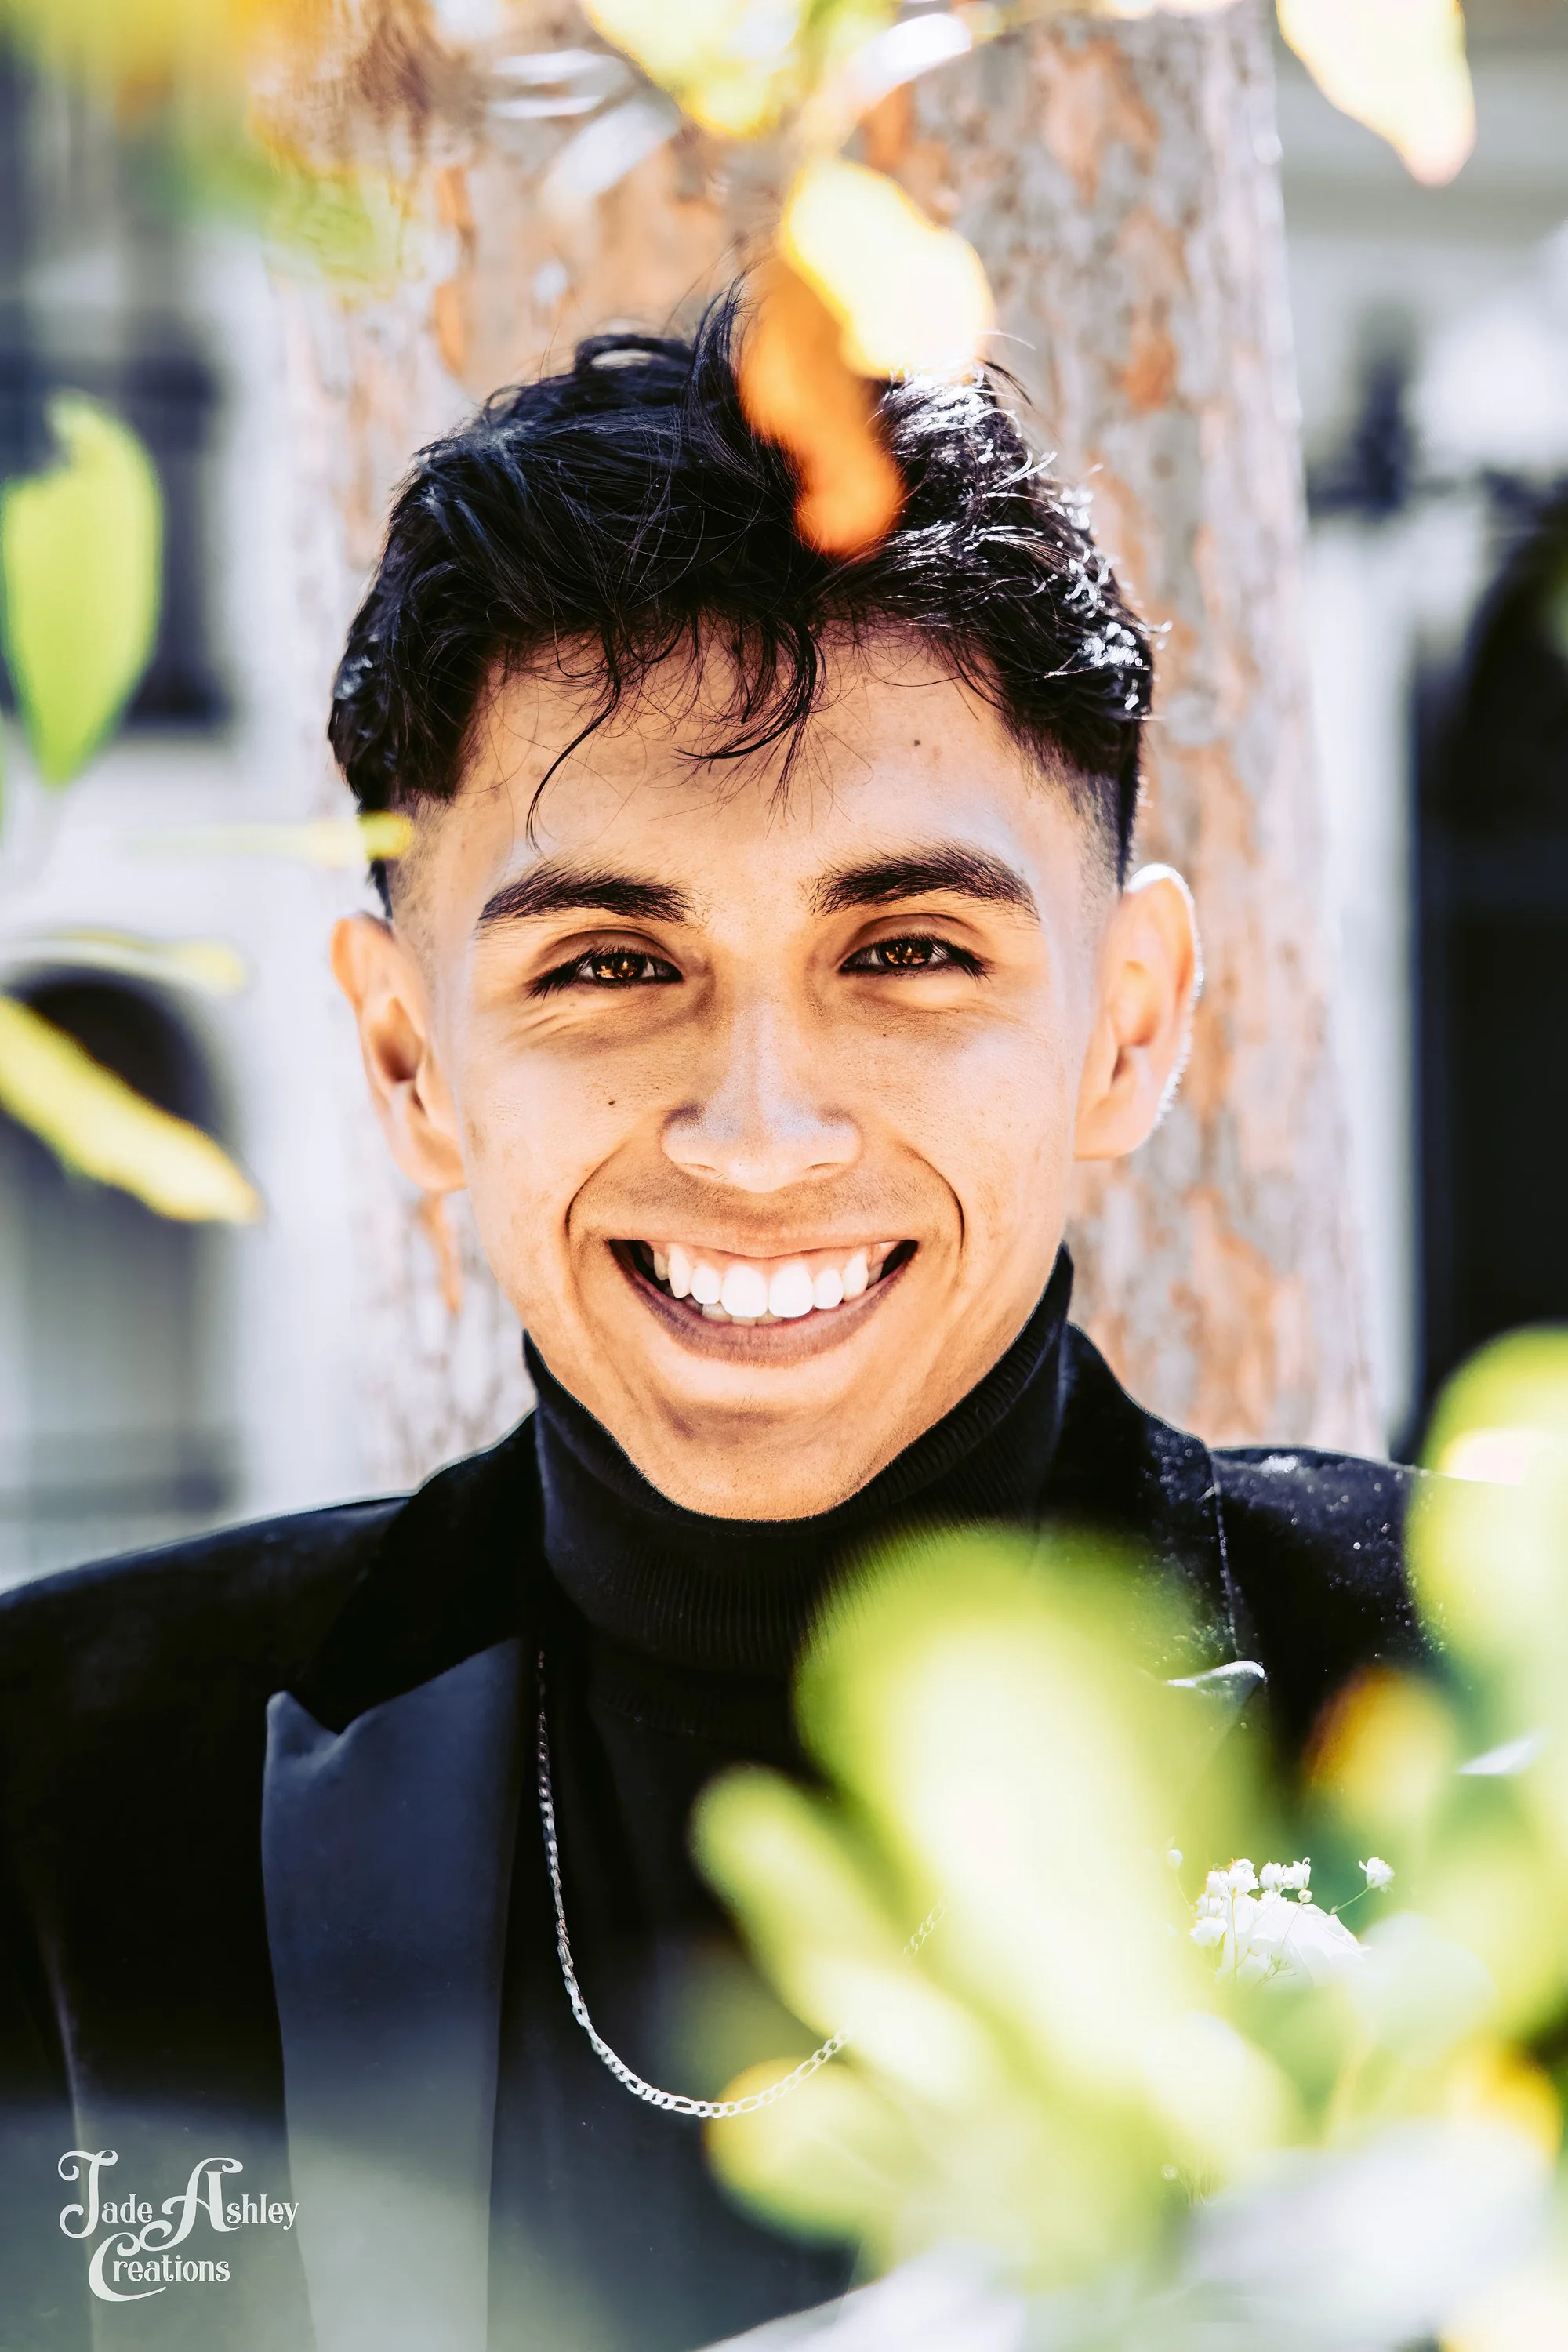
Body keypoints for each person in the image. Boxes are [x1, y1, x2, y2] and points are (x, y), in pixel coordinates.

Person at [0, 289, 1416, 2352]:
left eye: (910, 949)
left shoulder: (1464, 1719)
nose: (759, 1136)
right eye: (606, 965)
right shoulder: (71, 1793)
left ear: (1128, 1029)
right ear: (409, 1066)